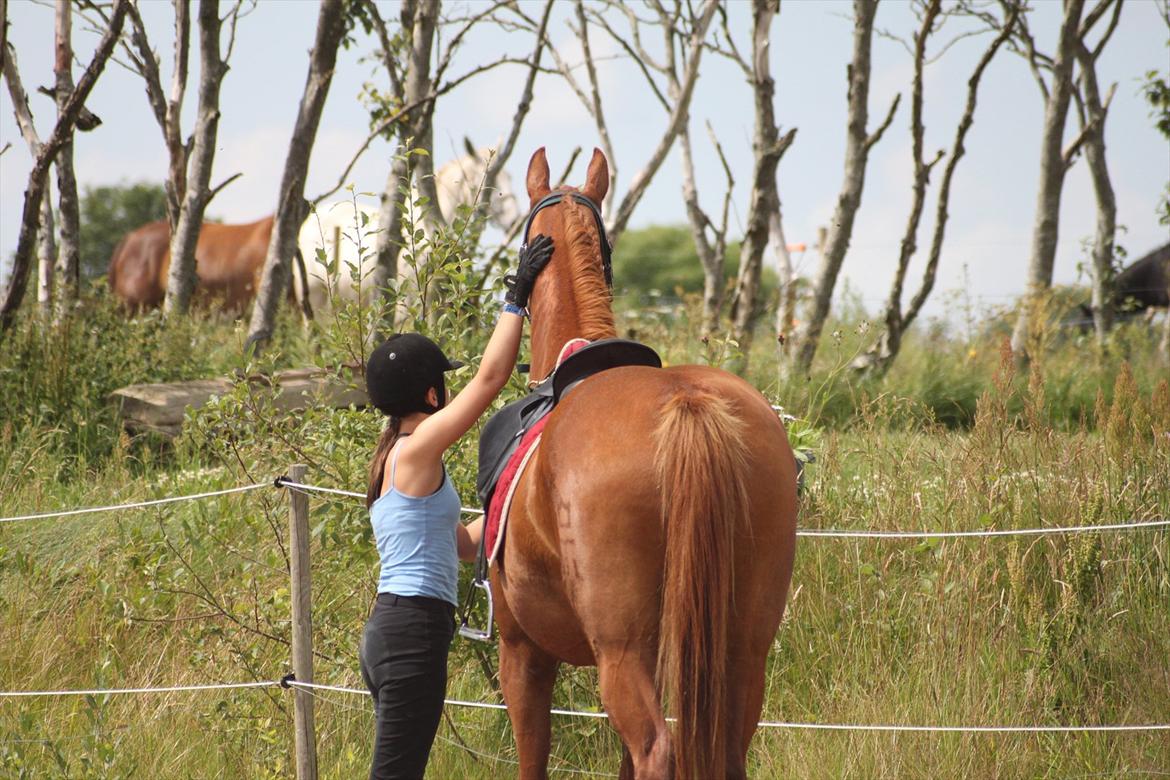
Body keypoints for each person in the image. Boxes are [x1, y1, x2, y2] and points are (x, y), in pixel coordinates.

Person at [359, 233, 555, 780]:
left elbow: (462, 546)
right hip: (412, 633)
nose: (447, 390)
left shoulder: (393, 460)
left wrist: (515, 506)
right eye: (441, 383)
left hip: (399, 629)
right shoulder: (416, 449)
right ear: (428, 396)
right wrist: (516, 297)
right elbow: (491, 379)